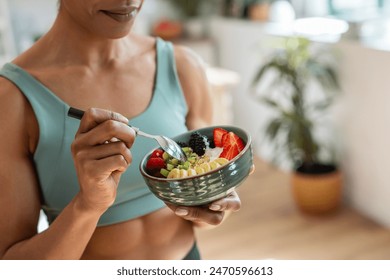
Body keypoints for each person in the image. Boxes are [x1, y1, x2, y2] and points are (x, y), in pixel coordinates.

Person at [0, 0, 243, 259]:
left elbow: (201, 219)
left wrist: (215, 201)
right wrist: (88, 205)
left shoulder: (183, 67)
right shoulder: (13, 99)